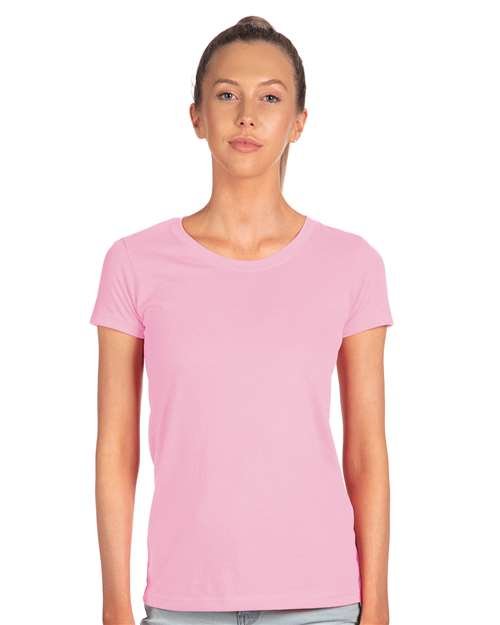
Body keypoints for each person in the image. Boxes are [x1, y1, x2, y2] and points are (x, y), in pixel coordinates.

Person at [89, 16, 394, 625]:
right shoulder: (134, 262)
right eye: (227, 95)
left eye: (270, 98)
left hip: (321, 599)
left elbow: (366, 450)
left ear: (298, 122)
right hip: (183, 599)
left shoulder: (352, 264)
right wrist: (113, 603)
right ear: (197, 116)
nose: (247, 116)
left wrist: (379, 601)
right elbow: (116, 450)